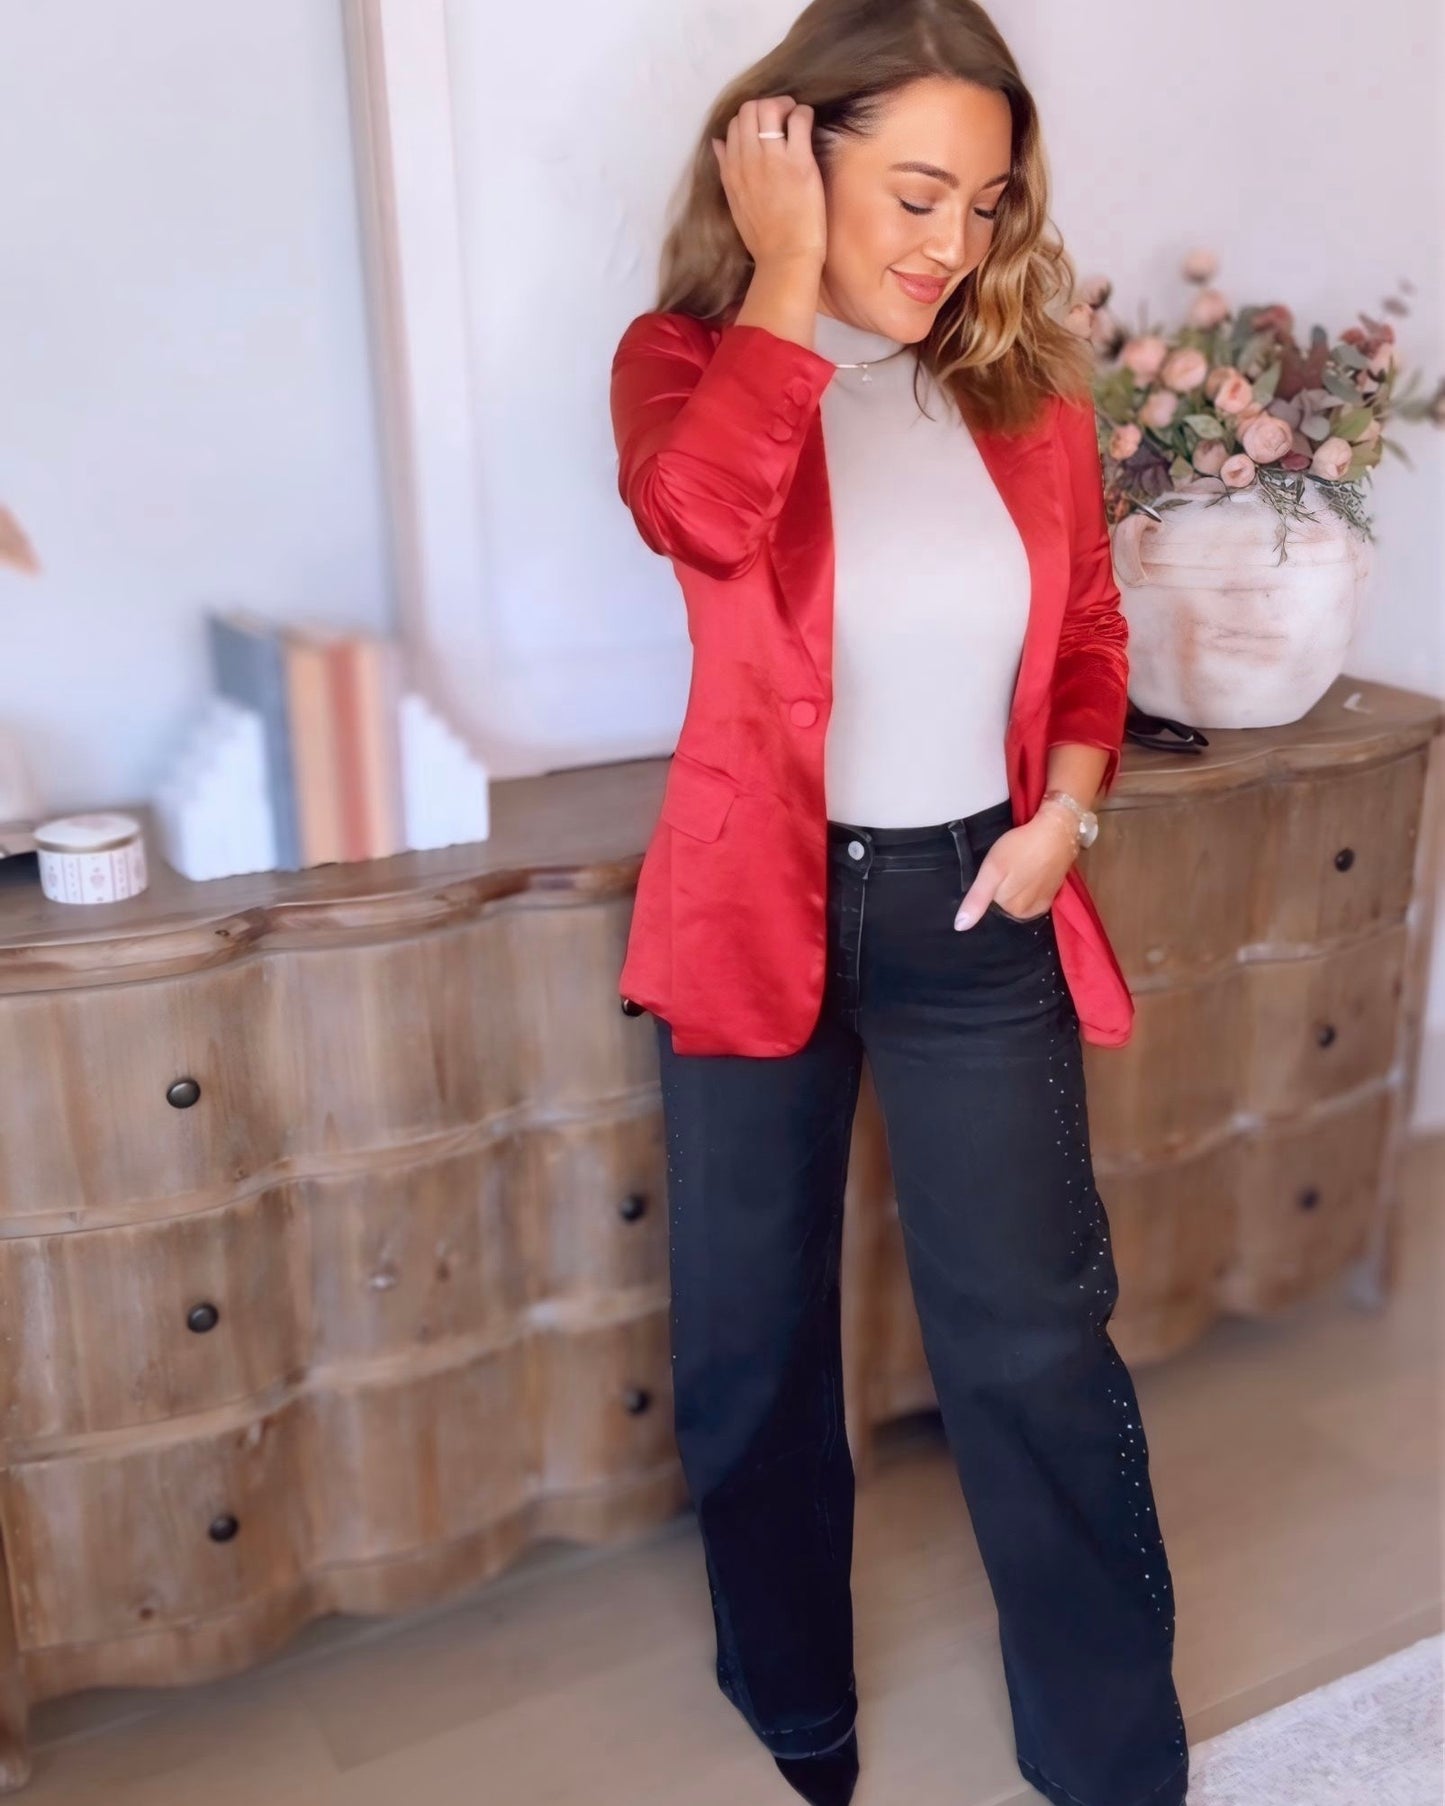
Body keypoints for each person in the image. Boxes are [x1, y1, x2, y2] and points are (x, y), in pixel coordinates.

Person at [607, 6, 1188, 1804]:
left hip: (973, 903)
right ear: (787, 152)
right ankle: (793, 1695)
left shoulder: (1022, 388)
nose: (951, 244)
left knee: (1033, 1346)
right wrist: (786, 275)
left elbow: (1086, 633)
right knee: (751, 1342)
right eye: (915, 193)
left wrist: (1066, 815)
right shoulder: (683, 361)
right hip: (751, 902)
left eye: (985, 203)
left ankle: (1112, 1760)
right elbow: (705, 521)